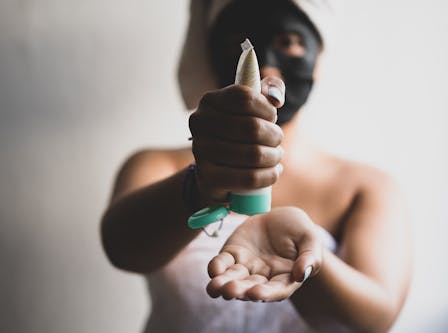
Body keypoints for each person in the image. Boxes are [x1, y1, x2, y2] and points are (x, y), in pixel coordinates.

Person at [100, 0, 412, 332]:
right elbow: (123, 249)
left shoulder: (365, 187)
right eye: (240, 39)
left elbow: (378, 317)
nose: (266, 68)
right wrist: (202, 185)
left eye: (288, 41)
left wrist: (307, 257)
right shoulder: (156, 165)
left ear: (318, 55)